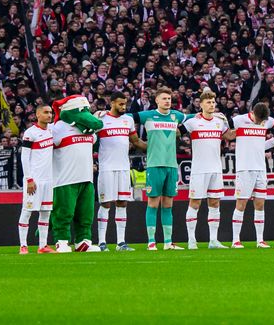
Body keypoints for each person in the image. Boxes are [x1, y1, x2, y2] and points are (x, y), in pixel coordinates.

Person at [47, 93, 104, 253]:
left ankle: (83, 241)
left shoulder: (89, 131)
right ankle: (61, 241)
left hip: (86, 178)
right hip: (65, 180)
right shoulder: (57, 128)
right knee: (64, 212)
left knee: (85, 214)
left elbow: (93, 140)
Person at [135, 88, 188, 250]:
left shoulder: (176, 116)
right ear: (157, 101)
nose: (167, 101)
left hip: (171, 166)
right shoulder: (148, 115)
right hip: (154, 165)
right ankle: (151, 241)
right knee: (152, 203)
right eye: (164, 98)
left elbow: (193, 120)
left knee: (168, 204)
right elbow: (128, 117)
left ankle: (167, 242)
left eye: (169, 98)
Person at [182, 90, 232, 249]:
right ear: (201, 104)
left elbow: (229, 136)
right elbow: (177, 132)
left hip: (216, 169)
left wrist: (251, 124)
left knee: (215, 203)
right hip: (199, 169)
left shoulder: (220, 121)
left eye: (213, 102)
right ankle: (191, 240)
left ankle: (213, 241)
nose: (212, 105)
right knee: (195, 203)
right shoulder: (193, 122)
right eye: (209, 102)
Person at [93, 94, 138, 250]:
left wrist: (155, 147)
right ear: (112, 103)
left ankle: (121, 242)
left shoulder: (129, 120)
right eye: (120, 104)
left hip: (124, 168)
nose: (123, 107)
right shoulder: (101, 119)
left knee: (122, 203)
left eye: (125, 104)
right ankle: (101, 242)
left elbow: (136, 141)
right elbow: (90, 137)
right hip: (106, 167)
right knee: (105, 204)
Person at [230, 101, 274, 247]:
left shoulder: (266, 121)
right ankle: (235, 239)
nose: (260, 123)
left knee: (260, 204)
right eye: (258, 120)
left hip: (261, 169)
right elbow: (224, 127)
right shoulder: (239, 120)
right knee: (241, 203)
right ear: (252, 113)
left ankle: (259, 240)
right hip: (244, 169)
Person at [18, 101, 56, 254]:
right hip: (35, 179)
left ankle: (42, 246)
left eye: (50, 113)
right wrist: (29, 179)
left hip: (49, 179)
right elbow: (24, 157)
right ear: (37, 114)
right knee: (27, 211)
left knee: (45, 212)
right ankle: (23, 245)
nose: (49, 115)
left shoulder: (51, 131)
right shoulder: (30, 133)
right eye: (46, 112)